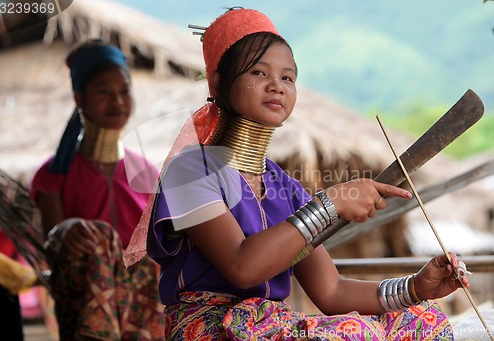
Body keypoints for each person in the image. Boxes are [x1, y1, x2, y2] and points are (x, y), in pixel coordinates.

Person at [125, 8, 469, 340]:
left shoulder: (284, 187)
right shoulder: (190, 170)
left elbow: (331, 291)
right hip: (208, 328)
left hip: (274, 326)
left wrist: (414, 287)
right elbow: (242, 267)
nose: (277, 85)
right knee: (354, 335)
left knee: (423, 321)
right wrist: (330, 205)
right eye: (258, 72)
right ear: (218, 82)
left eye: (287, 77)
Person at [30, 39, 164, 340]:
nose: (117, 101)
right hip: (84, 292)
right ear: (79, 98)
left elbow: (162, 241)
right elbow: (51, 247)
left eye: (124, 91)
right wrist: (66, 230)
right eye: (104, 92)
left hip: (143, 297)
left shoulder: (147, 172)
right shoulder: (52, 175)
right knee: (100, 237)